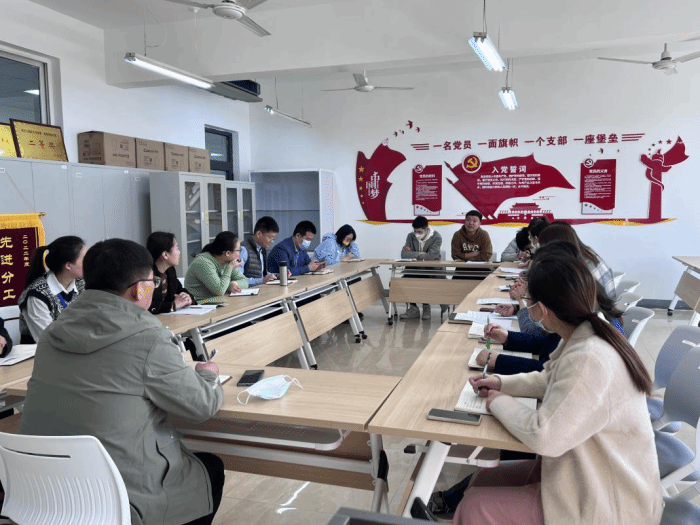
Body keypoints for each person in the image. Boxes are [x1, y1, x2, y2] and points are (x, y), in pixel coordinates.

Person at [19, 238, 225, 525]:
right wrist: (208, 374)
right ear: (139, 290)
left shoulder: (53, 332)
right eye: (153, 282)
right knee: (208, 469)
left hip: (47, 492)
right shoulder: (149, 337)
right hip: (118, 497)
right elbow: (202, 405)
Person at [453, 254, 661, 525]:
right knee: (483, 478)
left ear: (541, 309)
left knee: (475, 507)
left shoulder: (590, 356)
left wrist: (498, 401)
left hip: (610, 503)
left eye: (528, 302)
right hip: (585, 473)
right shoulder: (584, 332)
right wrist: (501, 383)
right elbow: (549, 379)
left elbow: (544, 435)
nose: (527, 307)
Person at [18, 236, 87, 344]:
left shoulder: (81, 284)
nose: (90, 262)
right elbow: (49, 340)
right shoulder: (37, 295)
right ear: (68, 265)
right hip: (42, 352)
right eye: (85, 259)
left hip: (77, 346)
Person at [537, 221, 616, 299]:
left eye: (544, 247)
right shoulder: (588, 253)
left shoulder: (578, 271)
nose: (543, 252)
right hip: (608, 302)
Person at [399, 216, 444, 320]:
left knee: (424, 281)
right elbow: (404, 254)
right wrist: (420, 253)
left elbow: (431, 256)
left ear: (426, 229)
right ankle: (413, 308)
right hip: (414, 269)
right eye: (415, 231)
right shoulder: (411, 236)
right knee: (405, 281)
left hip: (431, 270)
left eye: (419, 232)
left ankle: (426, 307)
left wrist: (414, 254)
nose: (417, 234)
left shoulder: (436, 237)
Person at [185, 231, 248, 302]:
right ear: (228, 253)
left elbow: (245, 281)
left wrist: (234, 284)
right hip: (200, 304)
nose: (239, 254)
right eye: (238, 250)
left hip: (217, 302)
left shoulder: (227, 261)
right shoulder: (203, 262)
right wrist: (230, 268)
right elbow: (219, 291)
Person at [146, 232, 196, 314]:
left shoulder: (170, 271)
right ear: (165, 255)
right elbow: (148, 306)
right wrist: (173, 305)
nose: (179, 252)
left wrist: (187, 297)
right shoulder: (147, 275)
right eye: (177, 248)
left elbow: (179, 289)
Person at [240, 216, 281, 286]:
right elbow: (239, 280)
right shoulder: (243, 249)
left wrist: (279, 275)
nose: (272, 241)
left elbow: (261, 274)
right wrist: (262, 280)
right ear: (259, 234)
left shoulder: (262, 249)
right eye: (270, 237)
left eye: (273, 239)